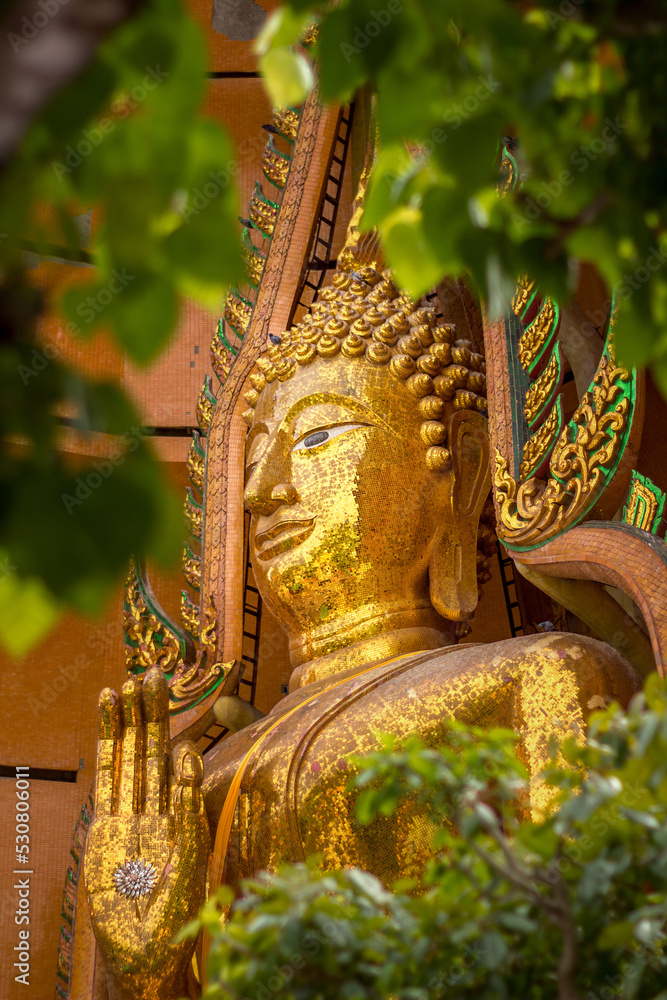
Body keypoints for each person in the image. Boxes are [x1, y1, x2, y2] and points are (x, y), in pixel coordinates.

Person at [83, 262, 639, 1000]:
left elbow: (604, 962)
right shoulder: (198, 784)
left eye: (316, 439)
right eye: (255, 458)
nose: (262, 488)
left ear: (461, 469)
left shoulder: (539, 681)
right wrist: (146, 968)